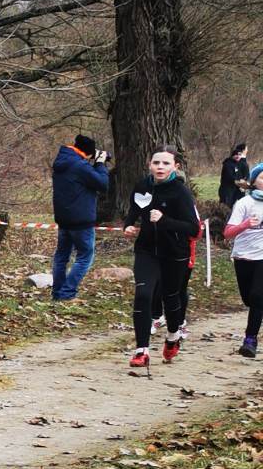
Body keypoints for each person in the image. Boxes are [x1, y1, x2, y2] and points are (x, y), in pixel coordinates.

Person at [122, 148, 200, 370]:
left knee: (171, 297)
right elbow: (134, 210)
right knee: (143, 294)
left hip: (174, 253)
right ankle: (141, 350)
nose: (160, 167)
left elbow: (193, 228)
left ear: (176, 167)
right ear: (149, 165)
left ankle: (173, 336)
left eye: (166, 163)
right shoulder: (143, 186)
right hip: (146, 250)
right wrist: (128, 225)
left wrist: (164, 221)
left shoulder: (180, 192)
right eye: (156, 162)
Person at [49, 135, 110, 301]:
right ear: (88, 153)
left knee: (61, 257)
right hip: (82, 221)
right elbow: (102, 184)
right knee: (85, 257)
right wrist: (100, 164)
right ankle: (67, 293)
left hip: (64, 219)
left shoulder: (63, 161)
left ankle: (57, 293)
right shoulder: (80, 166)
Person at [226, 162, 263, 357]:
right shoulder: (244, 204)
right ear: (254, 181)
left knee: (258, 297)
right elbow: (228, 233)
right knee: (249, 299)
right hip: (243, 256)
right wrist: (246, 224)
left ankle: (250, 340)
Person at [220, 144, 249, 208]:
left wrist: (243, 182)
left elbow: (238, 176)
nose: (238, 156)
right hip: (226, 191)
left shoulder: (236, 164)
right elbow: (230, 178)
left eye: (240, 155)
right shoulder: (228, 164)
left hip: (233, 191)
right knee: (225, 209)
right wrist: (242, 184)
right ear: (233, 155)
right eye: (236, 155)